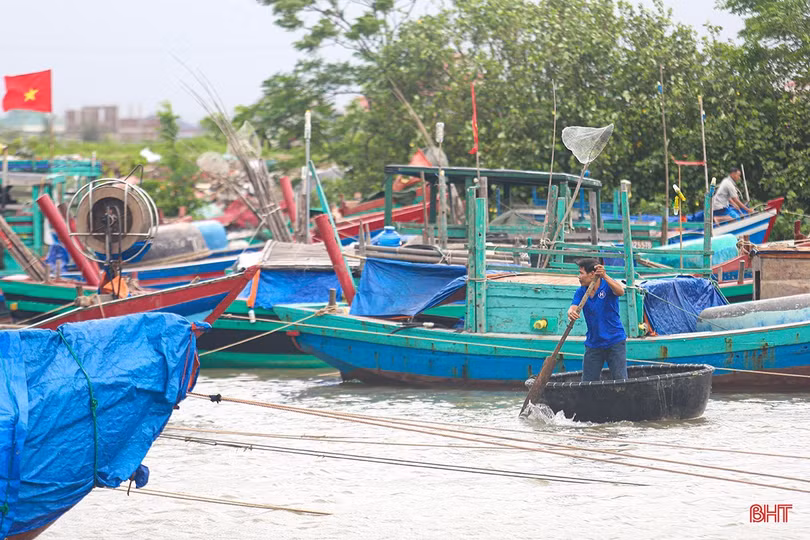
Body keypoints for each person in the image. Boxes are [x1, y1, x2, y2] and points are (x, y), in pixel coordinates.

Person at [567, 258, 627, 382]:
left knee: (621, 381)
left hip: (614, 341)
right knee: (588, 383)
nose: (579, 277)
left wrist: (605, 276)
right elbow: (573, 307)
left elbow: (620, 291)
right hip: (594, 343)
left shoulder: (607, 286)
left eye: (581, 273)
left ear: (592, 274)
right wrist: (571, 312)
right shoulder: (581, 292)